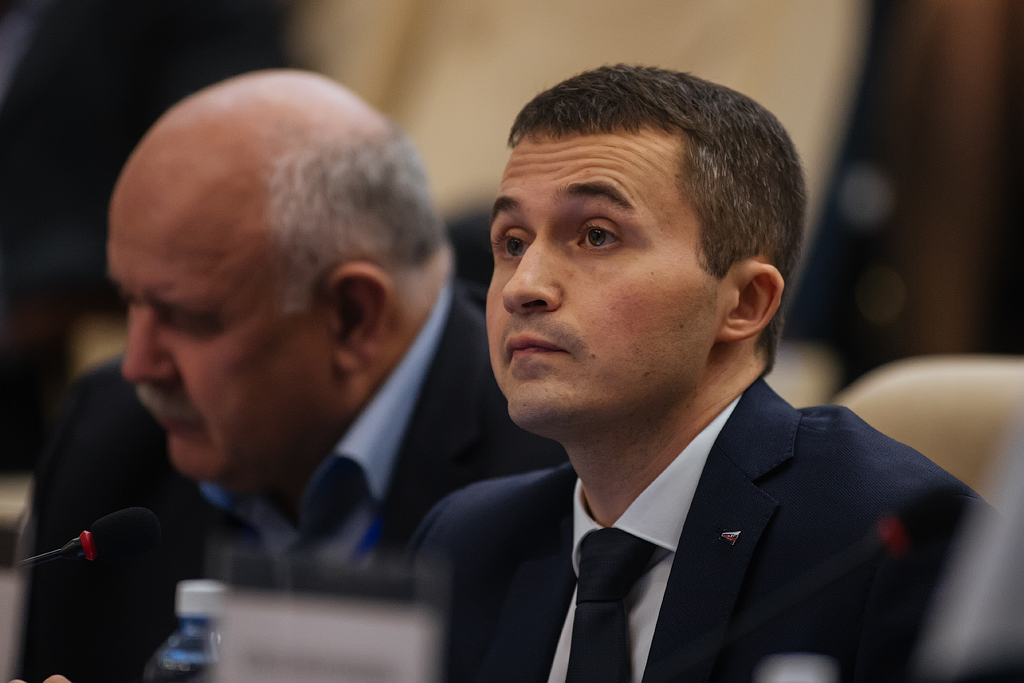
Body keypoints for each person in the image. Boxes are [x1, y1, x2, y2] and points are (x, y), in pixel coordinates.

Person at [411, 65, 975, 683]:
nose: (523, 287)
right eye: (513, 242)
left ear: (745, 303)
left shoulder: (891, 540)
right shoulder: (465, 543)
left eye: (596, 236)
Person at [21, 70, 566, 683]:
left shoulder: (557, 466)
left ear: (352, 317)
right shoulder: (107, 441)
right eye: (130, 302)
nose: (138, 364)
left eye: (187, 318)